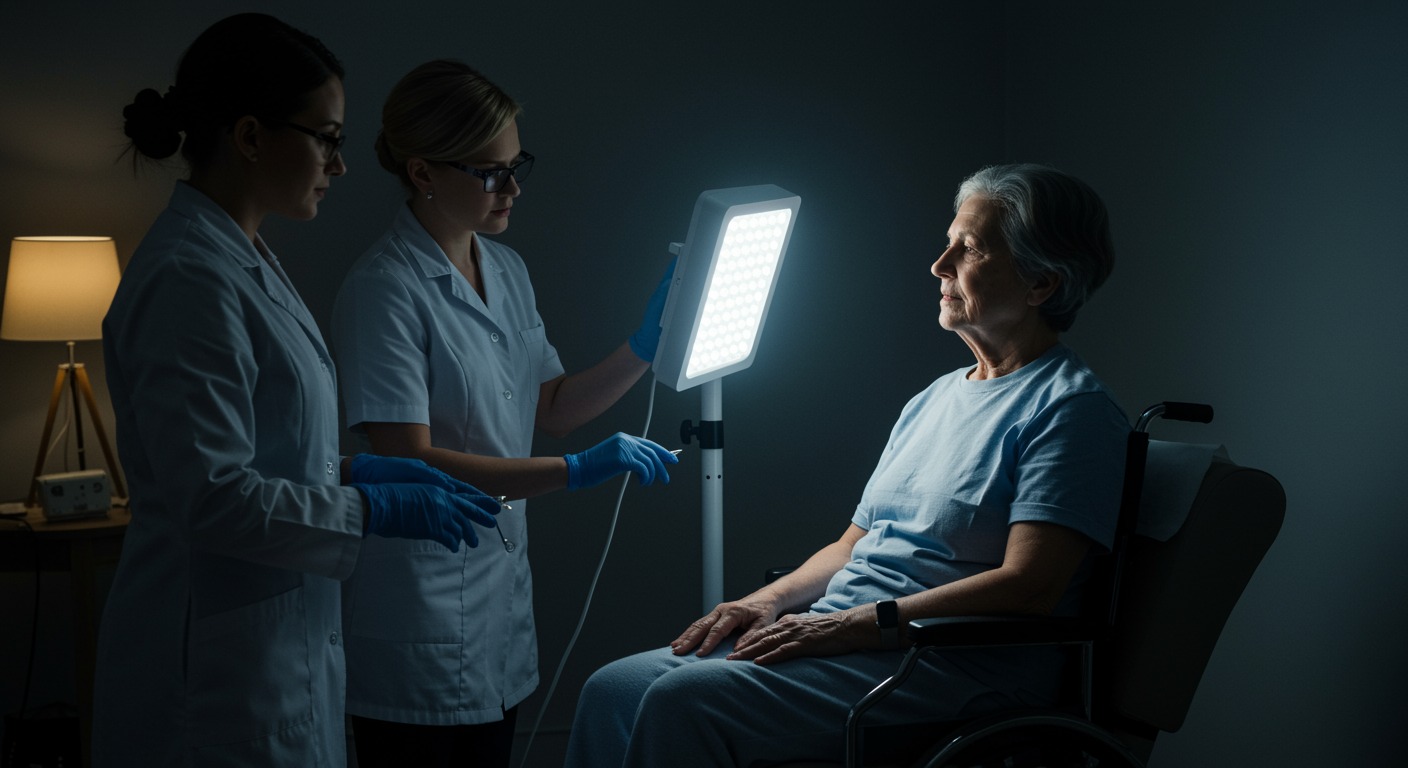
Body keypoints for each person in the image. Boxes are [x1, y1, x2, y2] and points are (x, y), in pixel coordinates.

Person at [564, 164, 1130, 767]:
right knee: (613, 690)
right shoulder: (934, 398)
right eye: (948, 242)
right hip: (854, 635)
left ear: (1041, 283)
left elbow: (1030, 586)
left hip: (950, 664)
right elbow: (853, 544)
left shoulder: (1070, 411)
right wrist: (766, 602)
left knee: (683, 704)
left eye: (969, 249)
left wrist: (847, 627)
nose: (939, 265)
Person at [93, 16, 502, 767]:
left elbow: (262, 449)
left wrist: (350, 472)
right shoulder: (189, 277)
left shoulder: (241, 258)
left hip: (273, 653)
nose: (339, 166)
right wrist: (370, 507)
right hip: (213, 679)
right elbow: (211, 497)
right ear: (251, 136)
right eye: (327, 139)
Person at [330, 60, 677, 767]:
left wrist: (646, 347)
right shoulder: (383, 289)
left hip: (499, 609)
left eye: (516, 167)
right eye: (491, 173)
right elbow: (407, 461)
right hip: (419, 614)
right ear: (422, 172)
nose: (513, 188)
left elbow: (553, 406)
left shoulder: (506, 270)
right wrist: (573, 472)